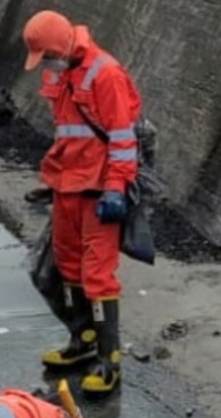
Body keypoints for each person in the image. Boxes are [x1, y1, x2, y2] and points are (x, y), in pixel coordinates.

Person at [23, 10, 142, 396]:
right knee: (68, 263)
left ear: (59, 48)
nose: (46, 66)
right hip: (68, 185)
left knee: (97, 273)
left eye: (47, 57)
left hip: (98, 189)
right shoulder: (61, 72)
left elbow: (123, 139)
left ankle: (110, 361)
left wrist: (115, 188)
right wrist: (53, 180)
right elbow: (67, 134)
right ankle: (82, 342)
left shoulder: (104, 74)